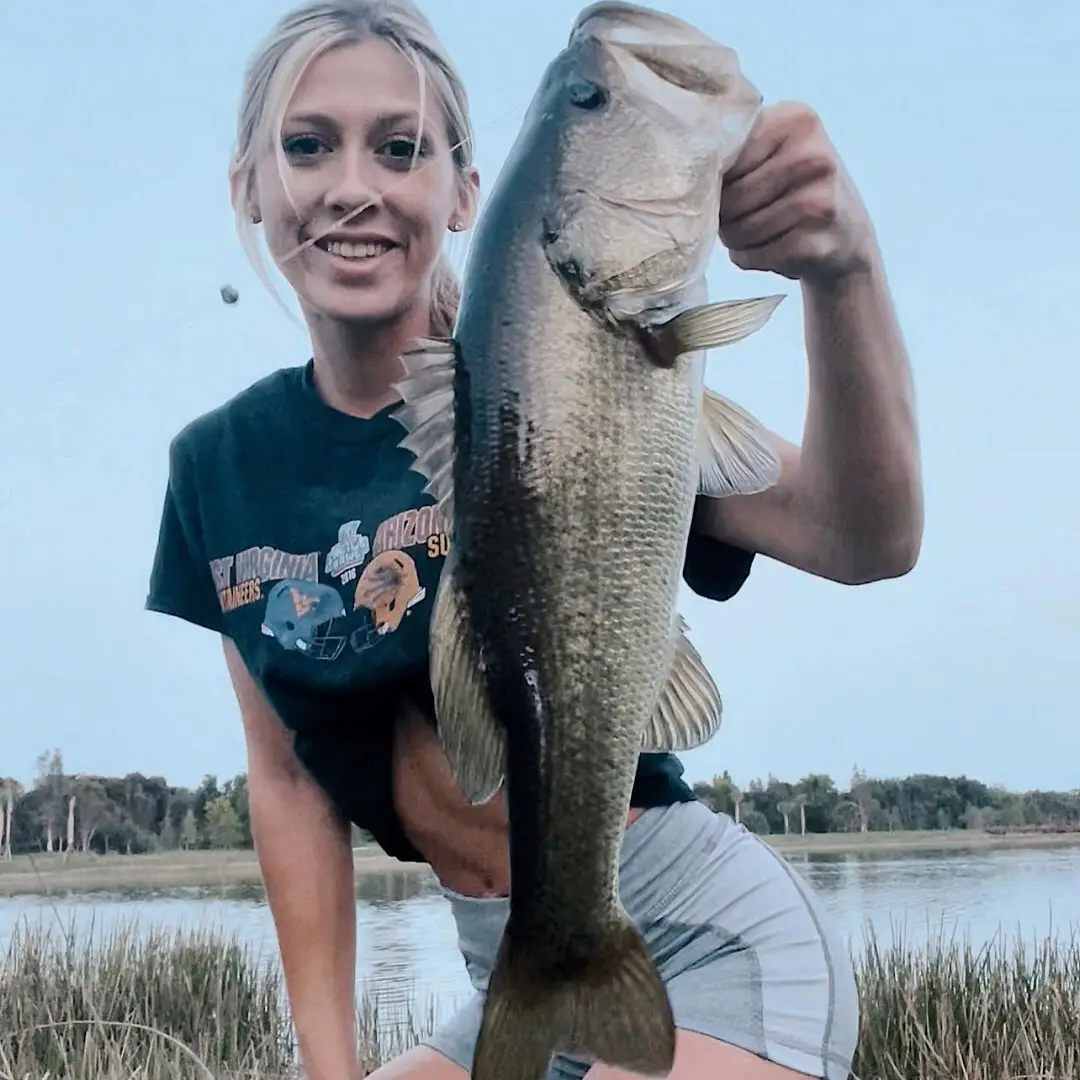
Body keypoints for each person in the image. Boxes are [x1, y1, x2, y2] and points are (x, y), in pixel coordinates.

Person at [146, 2, 922, 1079]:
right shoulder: (218, 469)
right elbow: (287, 786)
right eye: (308, 144)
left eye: (401, 148)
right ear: (249, 187)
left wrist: (846, 270)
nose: (352, 185)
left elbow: (866, 539)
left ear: (466, 191)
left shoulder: (561, 376)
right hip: (522, 966)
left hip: (702, 936)